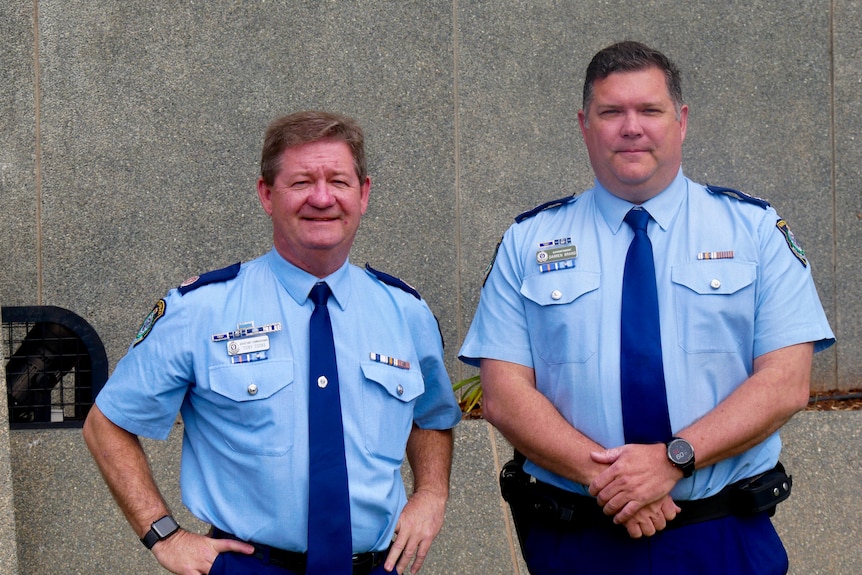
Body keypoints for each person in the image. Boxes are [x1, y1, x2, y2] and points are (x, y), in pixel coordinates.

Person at [459, 41, 834, 575]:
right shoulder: (529, 242)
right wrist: (618, 482)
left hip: (721, 534)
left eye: (649, 110)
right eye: (611, 112)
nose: (631, 127)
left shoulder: (754, 232)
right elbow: (504, 394)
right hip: (579, 537)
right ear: (585, 125)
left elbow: (786, 383)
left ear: (680, 121)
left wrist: (672, 459)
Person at [84, 110, 462, 575]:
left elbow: (432, 417)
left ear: (363, 194)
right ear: (266, 194)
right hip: (251, 567)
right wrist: (164, 535)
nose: (322, 198)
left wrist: (431, 494)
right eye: (302, 182)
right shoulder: (200, 311)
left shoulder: (406, 313)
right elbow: (108, 424)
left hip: (379, 567)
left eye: (339, 182)